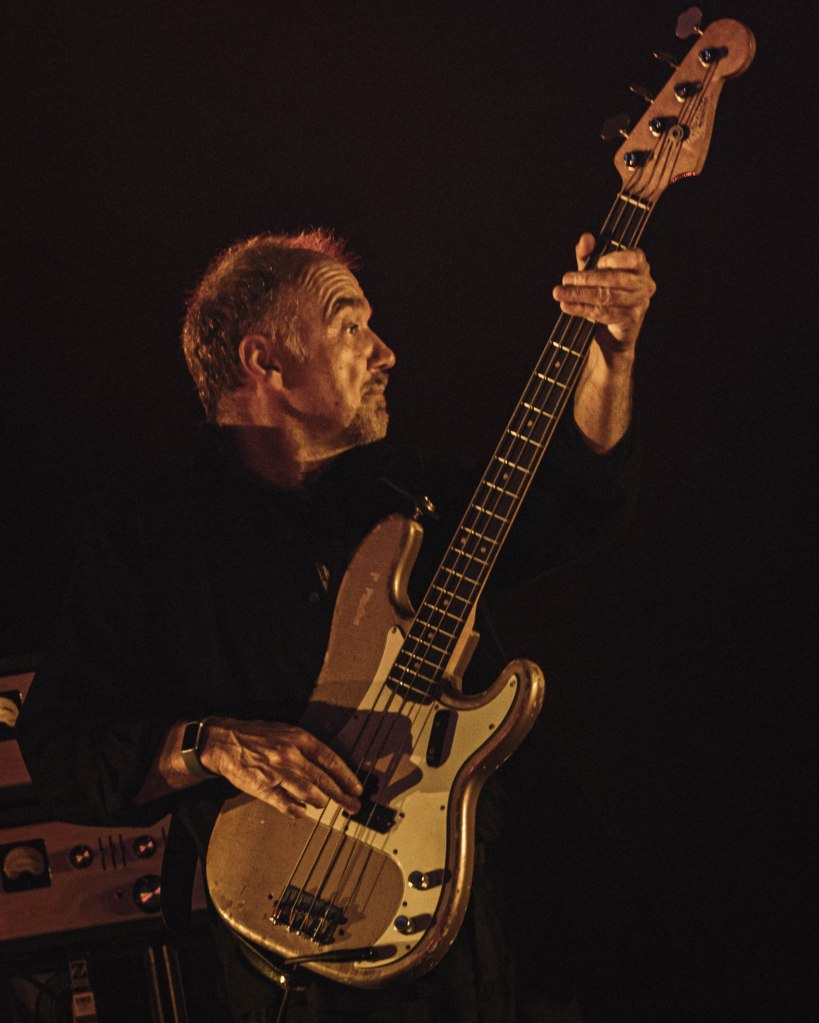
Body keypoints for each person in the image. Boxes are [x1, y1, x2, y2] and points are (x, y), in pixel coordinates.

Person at [17, 227, 655, 1021]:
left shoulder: (406, 495)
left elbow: (573, 503)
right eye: (351, 325)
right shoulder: (150, 540)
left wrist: (611, 353)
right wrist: (210, 743)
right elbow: (58, 748)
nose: (384, 352)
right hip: (298, 956)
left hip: (483, 929)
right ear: (266, 361)